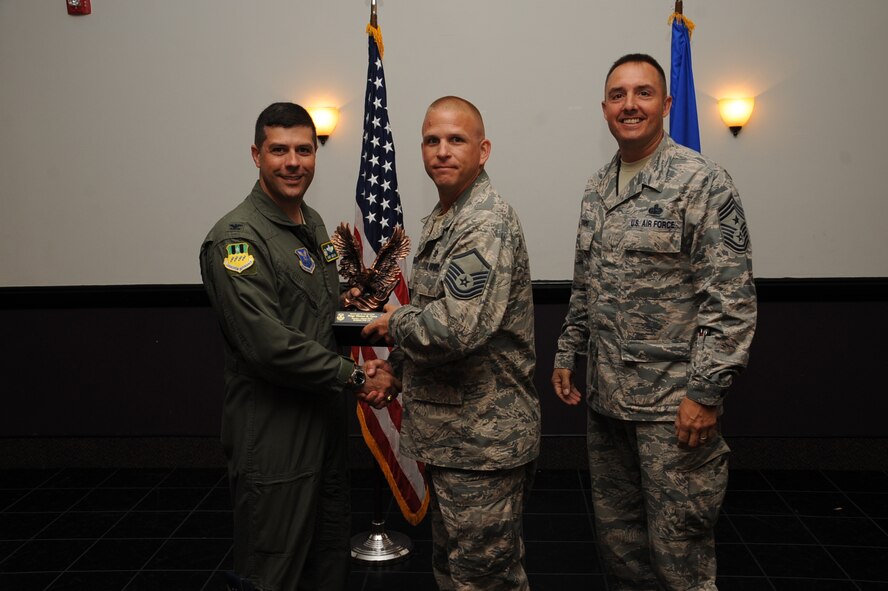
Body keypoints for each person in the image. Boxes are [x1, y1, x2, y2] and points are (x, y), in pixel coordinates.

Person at [551, 54, 757, 590]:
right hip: (608, 407)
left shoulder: (702, 183)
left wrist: (706, 394)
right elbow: (585, 286)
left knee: (680, 561)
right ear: (604, 109)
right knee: (622, 555)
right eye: (618, 95)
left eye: (643, 93)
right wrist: (568, 352)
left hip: (673, 412)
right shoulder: (598, 190)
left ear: (666, 105)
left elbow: (730, 302)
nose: (630, 104)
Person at [199, 102, 398, 591]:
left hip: (324, 426)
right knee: (274, 569)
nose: (293, 162)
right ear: (256, 155)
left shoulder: (310, 224)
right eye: (279, 150)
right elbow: (267, 344)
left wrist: (389, 322)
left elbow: (321, 315)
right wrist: (357, 377)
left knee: (328, 559)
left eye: (304, 150)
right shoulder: (238, 238)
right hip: (274, 434)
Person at [363, 96, 541, 590]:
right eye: (432, 140)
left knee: (485, 579)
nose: (442, 151)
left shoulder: (483, 222)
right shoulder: (445, 218)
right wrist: (397, 372)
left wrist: (392, 322)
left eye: (456, 140)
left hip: (483, 444)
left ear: (483, 150)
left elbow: (456, 328)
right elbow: (435, 314)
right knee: (454, 570)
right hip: (452, 436)